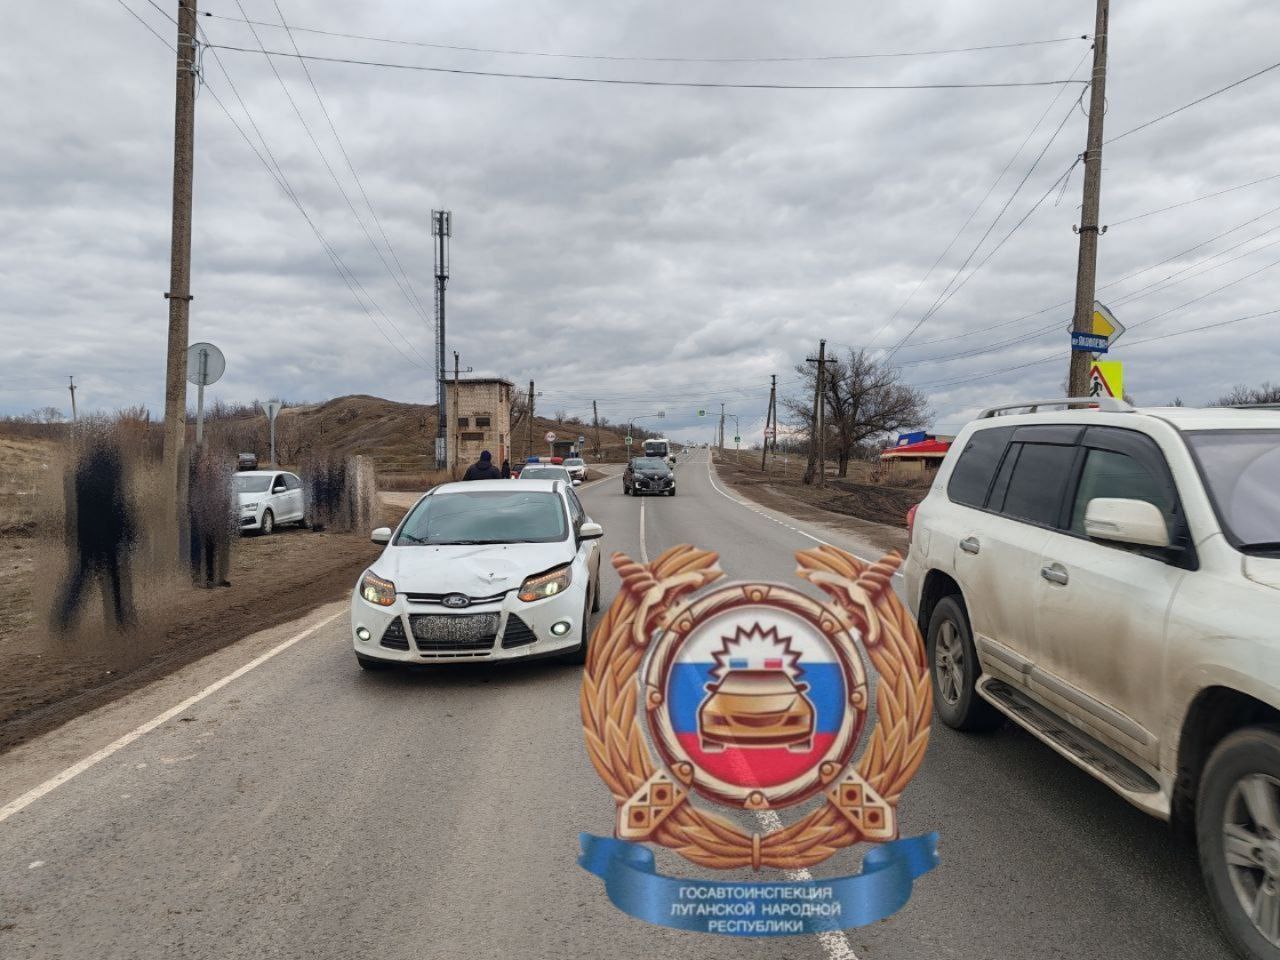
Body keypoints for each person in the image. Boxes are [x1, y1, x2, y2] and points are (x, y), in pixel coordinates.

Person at [54, 437, 137, 631]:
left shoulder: (81, 473)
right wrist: (128, 532)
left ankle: (64, 618)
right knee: (115, 579)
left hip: (87, 536)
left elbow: (75, 510)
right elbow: (118, 508)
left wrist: (74, 535)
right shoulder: (110, 476)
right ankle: (122, 620)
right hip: (108, 537)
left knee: (83, 577)